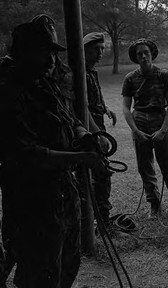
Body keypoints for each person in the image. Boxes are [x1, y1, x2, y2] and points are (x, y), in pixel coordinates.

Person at [0, 21, 108, 287]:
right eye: (44, 51)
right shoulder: (9, 91)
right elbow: (29, 154)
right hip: (31, 199)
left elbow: (69, 118)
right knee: (39, 272)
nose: (51, 59)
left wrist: (84, 135)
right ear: (24, 52)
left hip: (61, 192)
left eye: (53, 52)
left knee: (68, 261)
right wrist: (81, 159)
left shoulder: (45, 84)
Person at [122, 38, 168, 217]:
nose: (143, 56)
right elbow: (126, 107)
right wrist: (136, 131)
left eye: (146, 52)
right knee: (145, 167)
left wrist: (163, 130)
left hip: (160, 120)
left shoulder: (163, 75)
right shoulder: (130, 79)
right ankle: (154, 203)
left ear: (152, 53)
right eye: (139, 54)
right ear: (136, 58)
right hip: (140, 123)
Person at [83, 32, 117, 230]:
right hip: (88, 130)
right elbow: (80, 106)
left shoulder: (91, 71)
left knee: (102, 172)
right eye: (96, 49)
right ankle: (98, 222)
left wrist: (106, 108)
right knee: (99, 173)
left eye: (102, 49)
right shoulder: (78, 72)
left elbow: (95, 97)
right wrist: (97, 134)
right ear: (85, 49)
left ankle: (102, 219)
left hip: (97, 123)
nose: (100, 53)